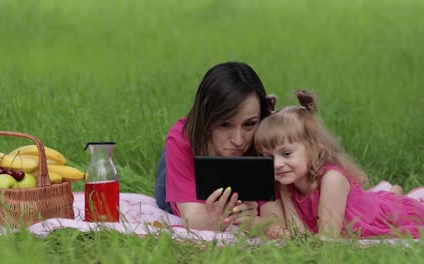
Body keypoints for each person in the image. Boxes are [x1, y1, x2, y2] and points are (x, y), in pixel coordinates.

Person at [253, 90, 424, 239]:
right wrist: (286, 197)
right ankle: (390, 191)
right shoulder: (286, 183)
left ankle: (404, 196)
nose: (276, 164)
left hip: (388, 217)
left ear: (314, 148)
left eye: (286, 153)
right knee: (378, 197)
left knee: (401, 206)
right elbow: (300, 236)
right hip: (365, 205)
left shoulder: (331, 179)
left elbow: (326, 240)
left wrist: (288, 235)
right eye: (268, 156)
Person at [154, 61, 274, 232]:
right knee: (168, 168)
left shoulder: (268, 140)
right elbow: (193, 219)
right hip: (179, 163)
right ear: (206, 119)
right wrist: (216, 219)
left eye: (249, 124)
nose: (239, 140)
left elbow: (275, 221)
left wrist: (255, 221)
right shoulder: (183, 139)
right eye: (225, 125)